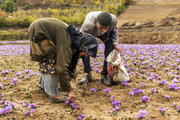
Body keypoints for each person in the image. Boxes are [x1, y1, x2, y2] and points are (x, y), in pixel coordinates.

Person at [28, 18, 98, 103]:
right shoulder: (68, 43)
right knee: (51, 60)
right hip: (39, 31)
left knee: (55, 59)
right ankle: (52, 94)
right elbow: (62, 68)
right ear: (84, 46)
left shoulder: (75, 39)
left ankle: (43, 85)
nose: (84, 56)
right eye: (85, 53)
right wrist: (69, 91)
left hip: (41, 28)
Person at [77, 11, 130, 86]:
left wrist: (115, 44)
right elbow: (81, 37)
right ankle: (87, 74)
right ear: (97, 22)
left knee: (110, 46)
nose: (103, 30)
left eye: (106, 28)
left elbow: (114, 32)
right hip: (91, 32)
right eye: (101, 27)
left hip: (105, 35)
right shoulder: (89, 24)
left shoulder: (113, 21)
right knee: (84, 49)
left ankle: (105, 75)